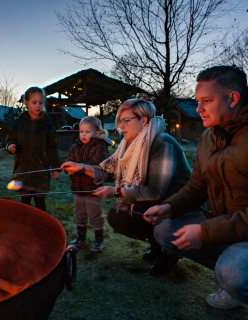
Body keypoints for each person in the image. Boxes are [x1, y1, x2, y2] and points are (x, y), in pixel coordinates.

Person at [144, 66, 248, 320]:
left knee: (236, 272)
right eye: (197, 101)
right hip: (230, 226)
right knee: (165, 231)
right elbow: (197, 186)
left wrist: (205, 232)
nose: (199, 109)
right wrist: (170, 207)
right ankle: (232, 282)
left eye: (207, 101)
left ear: (233, 98)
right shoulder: (209, 137)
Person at [61, 99, 191, 275]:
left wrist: (115, 191)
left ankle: (169, 251)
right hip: (154, 203)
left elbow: (155, 191)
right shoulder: (129, 145)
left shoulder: (162, 143)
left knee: (140, 208)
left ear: (143, 120)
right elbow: (106, 170)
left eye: (126, 121)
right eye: (119, 121)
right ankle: (157, 245)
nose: (121, 126)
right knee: (118, 215)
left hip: (179, 207)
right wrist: (81, 167)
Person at [6, 87, 60, 212]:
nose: (38, 106)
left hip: (41, 167)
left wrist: (55, 166)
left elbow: (52, 146)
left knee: (40, 200)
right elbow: (10, 140)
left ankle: (42, 225)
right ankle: (24, 224)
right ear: (26, 103)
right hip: (23, 166)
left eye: (40, 103)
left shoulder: (48, 123)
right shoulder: (18, 122)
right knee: (25, 200)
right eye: (34, 102)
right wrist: (11, 146)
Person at [64, 116, 110, 252]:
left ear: (96, 133)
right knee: (79, 213)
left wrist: (79, 166)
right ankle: (81, 237)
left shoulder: (100, 147)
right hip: (77, 188)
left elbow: (97, 164)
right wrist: (67, 166)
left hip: (92, 188)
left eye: (87, 132)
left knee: (94, 214)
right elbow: (70, 159)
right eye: (81, 131)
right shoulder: (75, 146)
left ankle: (98, 240)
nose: (83, 135)